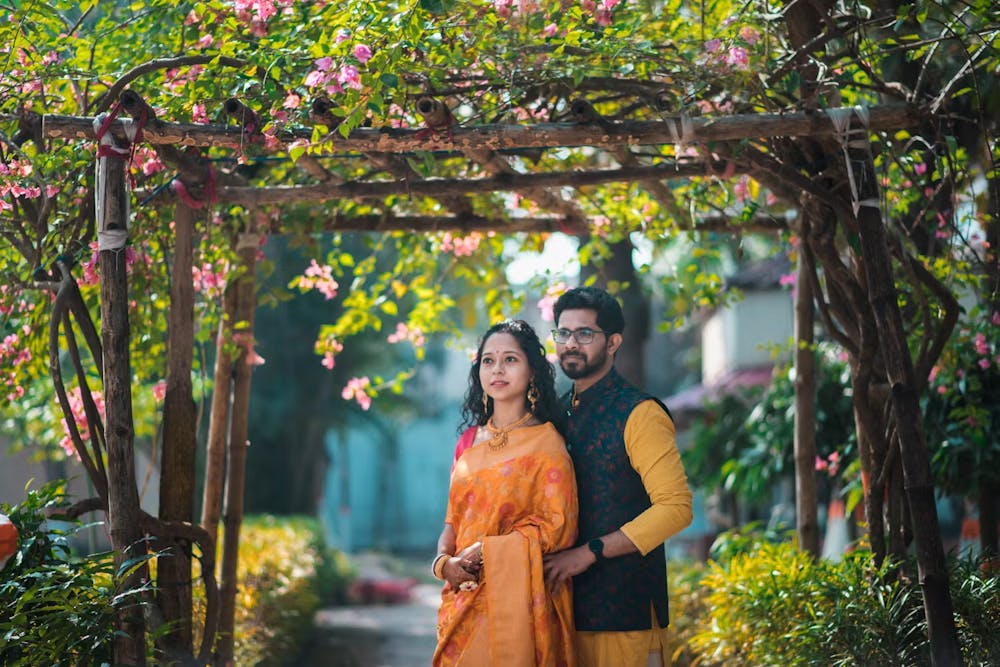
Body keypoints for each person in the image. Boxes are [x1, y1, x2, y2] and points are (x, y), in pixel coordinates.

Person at [542, 286, 693, 667]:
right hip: (562, 614)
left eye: (584, 334)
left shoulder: (640, 414)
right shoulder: (555, 416)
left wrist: (589, 553)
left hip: (626, 615)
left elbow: (675, 509)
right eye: (563, 333)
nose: (571, 343)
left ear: (613, 342)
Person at [433, 319, 578, 666]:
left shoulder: (547, 443)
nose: (497, 368)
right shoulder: (468, 443)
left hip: (521, 600)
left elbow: (557, 528)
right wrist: (443, 564)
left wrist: (487, 550)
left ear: (532, 372)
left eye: (510, 359)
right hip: (461, 596)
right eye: (488, 360)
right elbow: (452, 521)